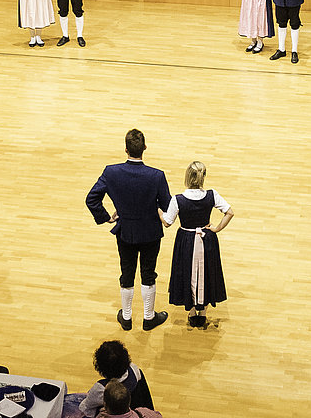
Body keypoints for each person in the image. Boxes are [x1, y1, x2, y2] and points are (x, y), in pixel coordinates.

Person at [86, 129, 171, 331]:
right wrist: (154, 207)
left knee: (127, 273)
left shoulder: (111, 172)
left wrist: (106, 217)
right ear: (145, 148)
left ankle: (126, 318)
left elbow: (92, 199)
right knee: (148, 273)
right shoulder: (157, 176)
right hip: (150, 232)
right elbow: (167, 205)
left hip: (125, 232)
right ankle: (149, 318)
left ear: (126, 149)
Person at [162, 161, 233, 328]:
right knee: (207, 272)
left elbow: (167, 222)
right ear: (203, 177)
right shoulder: (212, 194)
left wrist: (158, 210)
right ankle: (203, 313)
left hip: (186, 241)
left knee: (188, 272)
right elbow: (229, 212)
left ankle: (193, 311)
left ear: (187, 176)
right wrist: (216, 229)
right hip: (207, 240)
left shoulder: (178, 199)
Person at [63, 341, 153, 418]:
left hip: (112, 412)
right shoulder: (134, 369)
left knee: (65, 403)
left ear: (101, 367)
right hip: (132, 408)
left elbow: (86, 407)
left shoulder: (101, 389)